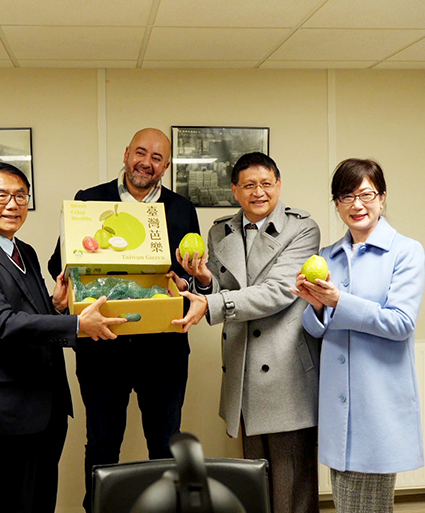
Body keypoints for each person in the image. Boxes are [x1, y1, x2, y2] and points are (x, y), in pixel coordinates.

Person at [0, 162, 125, 513]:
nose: (12, 205)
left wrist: (56, 307)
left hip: (45, 404)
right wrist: (75, 324)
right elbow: (1, 323)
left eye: (21, 196)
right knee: (6, 504)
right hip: (5, 409)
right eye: (1, 196)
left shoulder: (23, 250)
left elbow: (31, 315)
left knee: (40, 502)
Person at [47, 128, 200, 512]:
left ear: (166, 166)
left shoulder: (181, 208)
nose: (146, 163)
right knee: (102, 445)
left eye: (157, 158)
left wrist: (186, 281)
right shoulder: (88, 201)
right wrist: (79, 272)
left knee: (166, 444)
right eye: (141, 153)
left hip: (163, 349)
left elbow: (191, 273)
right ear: (127, 153)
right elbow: (57, 264)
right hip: (103, 345)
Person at [174, 152, 321, 513]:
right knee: (257, 481)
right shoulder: (219, 231)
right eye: (250, 185)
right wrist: (203, 279)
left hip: (285, 367)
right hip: (243, 370)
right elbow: (223, 288)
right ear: (235, 190)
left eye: (266, 184)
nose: (259, 192)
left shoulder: (302, 229)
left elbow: (277, 292)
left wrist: (210, 303)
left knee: (292, 486)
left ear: (279, 185)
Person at [292, 158, 425, 512]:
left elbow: (401, 323)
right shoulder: (327, 256)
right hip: (337, 407)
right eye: (346, 196)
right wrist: (316, 307)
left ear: (382, 197)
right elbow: (315, 328)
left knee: (365, 506)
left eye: (366, 194)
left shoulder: (406, 251)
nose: (357, 205)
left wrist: (339, 301)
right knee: (348, 504)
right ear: (337, 203)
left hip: (376, 406)